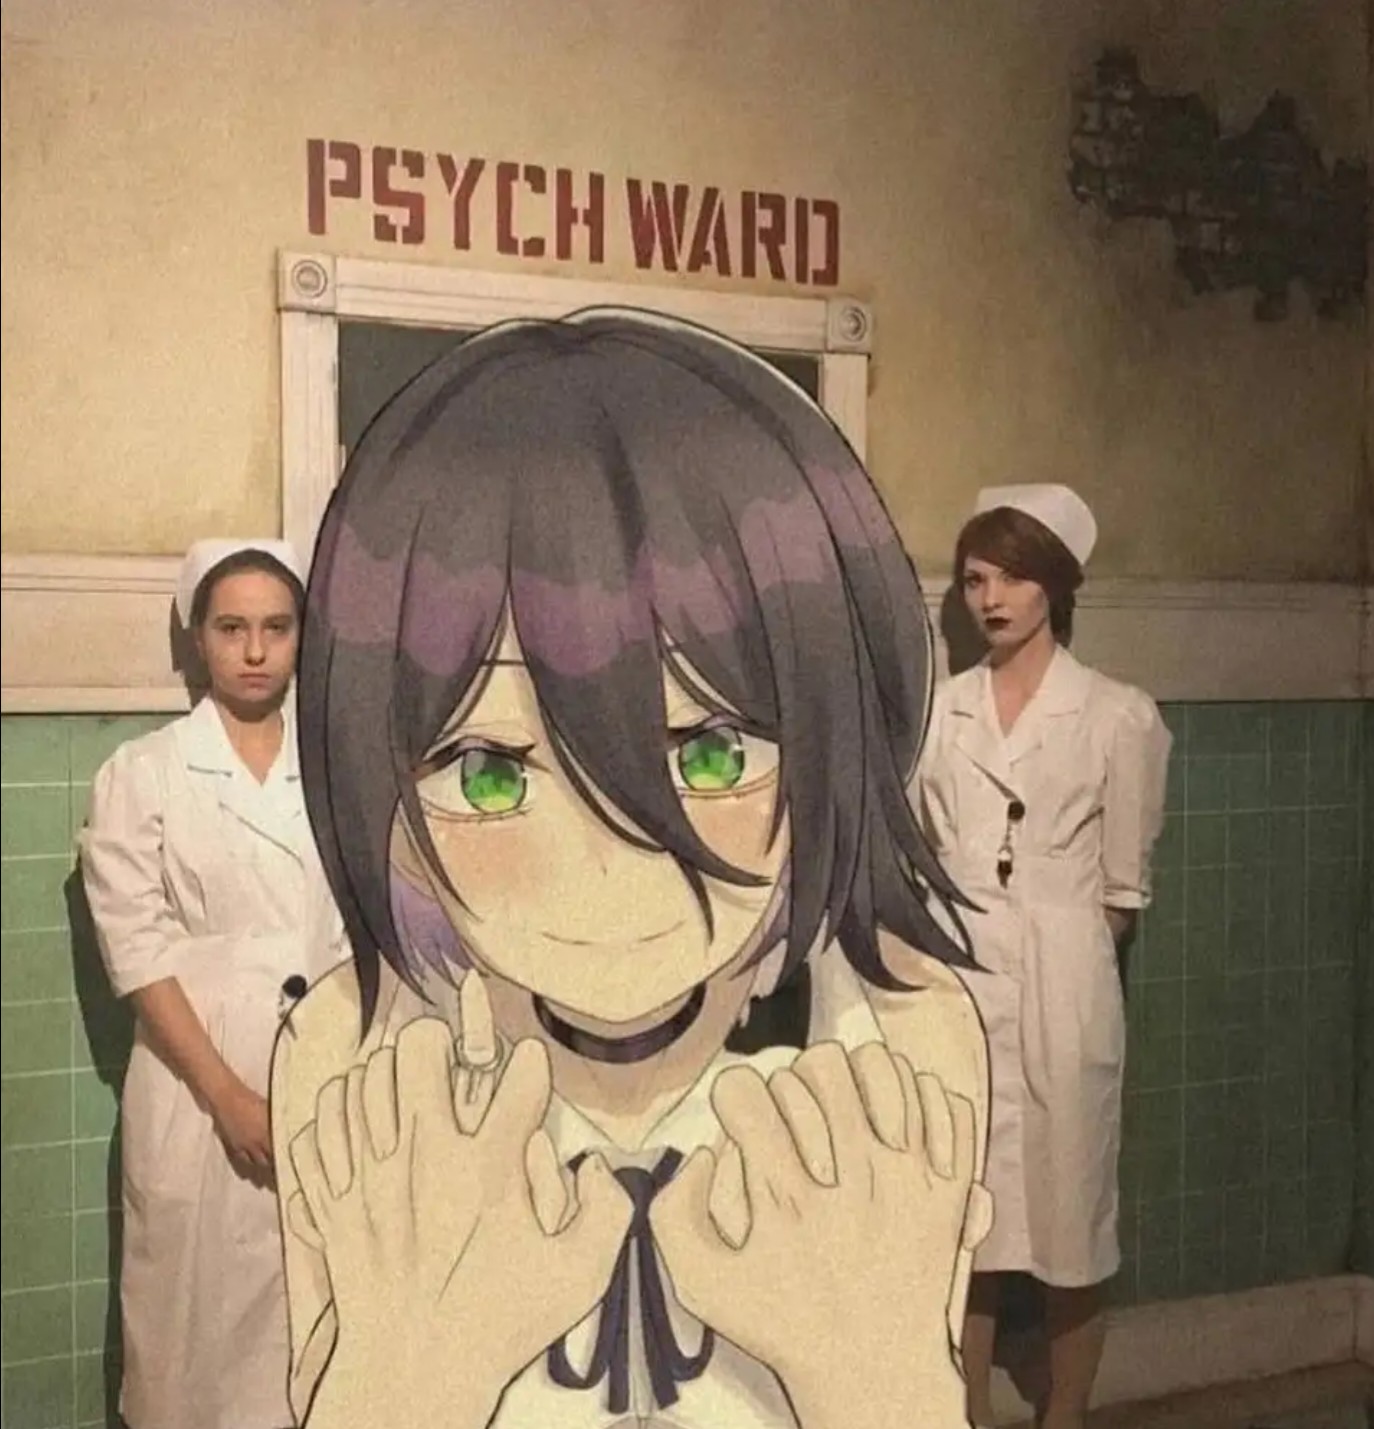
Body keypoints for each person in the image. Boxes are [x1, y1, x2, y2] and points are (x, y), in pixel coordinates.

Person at [270, 308, 997, 1429]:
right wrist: (411, 1372)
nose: (610, 870)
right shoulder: (359, 1052)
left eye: (712, 754)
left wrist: (871, 1375)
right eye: (488, 773)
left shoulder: (894, 1034)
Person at [916, 484, 1172, 1429]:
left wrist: (1055, 960)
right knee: (966, 1222)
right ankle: (967, 1412)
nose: (992, 598)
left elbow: (1120, 895)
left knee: (1072, 1222)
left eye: (1014, 577)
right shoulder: (941, 713)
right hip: (960, 989)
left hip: (1066, 988)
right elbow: (925, 852)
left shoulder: (1117, 716)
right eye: (976, 579)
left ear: (1054, 586)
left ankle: (1065, 1414)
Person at [79, 538, 350, 1429]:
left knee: (314, 1337)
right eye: (232, 628)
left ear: (303, 634)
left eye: (277, 627)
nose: (256, 650)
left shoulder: (338, 769)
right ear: (199, 638)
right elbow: (137, 950)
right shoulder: (145, 773)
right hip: (198, 1079)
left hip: (326, 1067)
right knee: (196, 1348)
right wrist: (227, 1094)